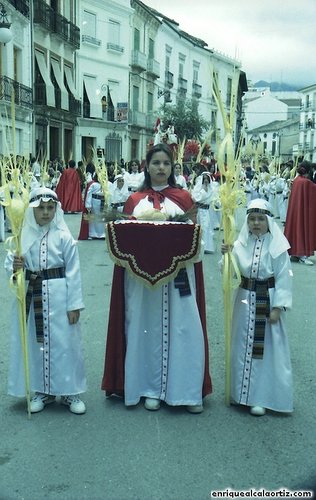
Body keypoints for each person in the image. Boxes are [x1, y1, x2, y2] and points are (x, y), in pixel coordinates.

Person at [101, 143, 212, 413]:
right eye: (155, 163)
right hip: (141, 281)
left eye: (165, 163)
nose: (160, 168)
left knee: (183, 327)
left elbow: (197, 238)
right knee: (144, 327)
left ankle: (184, 391)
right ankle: (148, 387)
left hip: (179, 278)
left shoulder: (184, 198)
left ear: (172, 167)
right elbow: (122, 239)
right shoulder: (134, 201)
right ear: (146, 167)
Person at [5, 187, 86, 414]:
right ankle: (43, 391)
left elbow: (74, 271)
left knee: (65, 344)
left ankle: (70, 391)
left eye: (51, 208)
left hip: (60, 296)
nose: (46, 212)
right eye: (41, 208)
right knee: (37, 344)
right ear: (32, 210)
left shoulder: (63, 237)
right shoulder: (22, 237)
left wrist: (74, 305)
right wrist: (15, 267)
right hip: (33, 296)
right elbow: (10, 266)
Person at [221, 198, 293, 416]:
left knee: (265, 351)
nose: (256, 223)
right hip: (244, 299)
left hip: (267, 299)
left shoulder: (278, 246)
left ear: (268, 221)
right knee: (243, 344)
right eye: (252, 219)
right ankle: (241, 394)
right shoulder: (240, 243)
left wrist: (278, 307)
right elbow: (230, 273)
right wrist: (226, 254)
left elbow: (284, 277)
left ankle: (260, 397)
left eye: (261, 219)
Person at [284, 160, 316, 265]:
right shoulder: (306, 182)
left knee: (296, 228)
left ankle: (295, 253)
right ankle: (302, 254)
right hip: (302, 211)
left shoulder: (297, 180)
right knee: (303, 228)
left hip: (296, 210)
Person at [191, 171, 216, 254]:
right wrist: (203, 191)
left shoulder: (211, 188)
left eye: (207, 179)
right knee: (200, 228)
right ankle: (198, 247)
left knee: (206, 228)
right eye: (204, 179)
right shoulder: (198, 188)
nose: (205, 180)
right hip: (199, 211)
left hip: (207, 211)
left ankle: (206, 247)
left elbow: (214, 199)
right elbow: (196, 198)